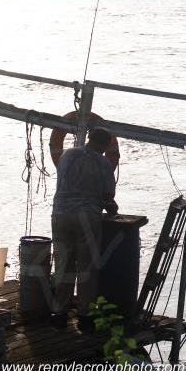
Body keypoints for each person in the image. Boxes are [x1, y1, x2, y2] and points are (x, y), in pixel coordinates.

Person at [50, 127, 118, 330]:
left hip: (60, 214)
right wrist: (110, 206)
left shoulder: (68, 154)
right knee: (86, 267)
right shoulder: (104, 163)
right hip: (87, 217)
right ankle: (85, 316)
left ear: (88, 138)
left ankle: (59, 313)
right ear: (105, 146)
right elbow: (107, 195)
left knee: (63, 264)